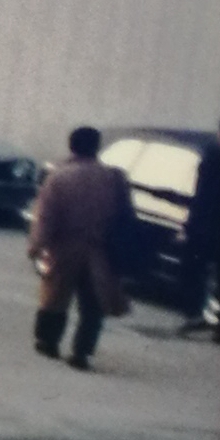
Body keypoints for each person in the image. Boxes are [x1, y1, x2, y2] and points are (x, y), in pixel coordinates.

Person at [28, 128, 134, 369]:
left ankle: (48, 341)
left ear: (71, 146)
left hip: (64, 247)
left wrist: (36, 246)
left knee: (55, 297)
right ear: (97, 147)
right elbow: (123, 214)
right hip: (99, 249)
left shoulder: (59, 178)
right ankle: (82, 351)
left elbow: (46, 217)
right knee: (92, 303)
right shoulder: (112, 178)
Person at [179, 114, 220, 345]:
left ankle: (199, 315)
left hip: (207, 228)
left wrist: (190, 226)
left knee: (196, 271)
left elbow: (202, 195)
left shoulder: (213, 157)